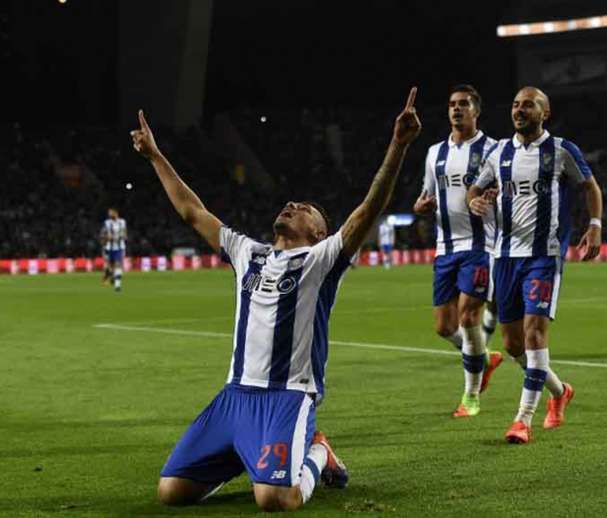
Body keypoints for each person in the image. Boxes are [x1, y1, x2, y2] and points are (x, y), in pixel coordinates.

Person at [131, 88, 422, 511]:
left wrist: (397, 146)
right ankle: (245, 454)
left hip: (288, 396)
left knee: (275, 500)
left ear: (320, 233)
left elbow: (369, 207)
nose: (290, 205)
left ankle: (319, 452)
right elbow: (192, 212)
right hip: (234, 396)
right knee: (171, 492)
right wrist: (156, 156)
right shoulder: (246, 251)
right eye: (290, 203)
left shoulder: (322, 259)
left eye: (302, 208)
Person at [467, 86, 603, 444]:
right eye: (515, 104)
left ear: (546, 112)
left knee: (534, 335)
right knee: (513, 345)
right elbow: (474, 191)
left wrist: (594, 225)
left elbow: (590, 186)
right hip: (506, 256)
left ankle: (522, 420)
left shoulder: (561, 150)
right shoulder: (498, 152)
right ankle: (560, 391)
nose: (519, 109)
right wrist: (476, 203)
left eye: (529, 104)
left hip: (545, 256)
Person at [412, 85, 503, 418]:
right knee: (443, 327)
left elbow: (509, 193)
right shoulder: (435, 152)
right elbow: (425, 196)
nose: (456, 109)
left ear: (476, 110)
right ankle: (484, 358)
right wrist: (420, 205)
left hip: (480, 245)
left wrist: (493, 198)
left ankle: (471, 396)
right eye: (452, 104)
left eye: (463, 104)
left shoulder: (495, 150)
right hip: (445, 248)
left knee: (469, 317)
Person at [101, 208, 127, 291]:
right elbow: (102, 235)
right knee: (109, 267)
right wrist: (106, 238)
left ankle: (117, 286)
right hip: (109, 248)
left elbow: (125, 234)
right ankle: (109, 275)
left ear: (116, 213)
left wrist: (121, 236)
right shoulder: (107, 223)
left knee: (118, 265)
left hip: (119, 248)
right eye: (109, 213)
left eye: (111, 212)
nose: (109, 214)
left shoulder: (122, 222)